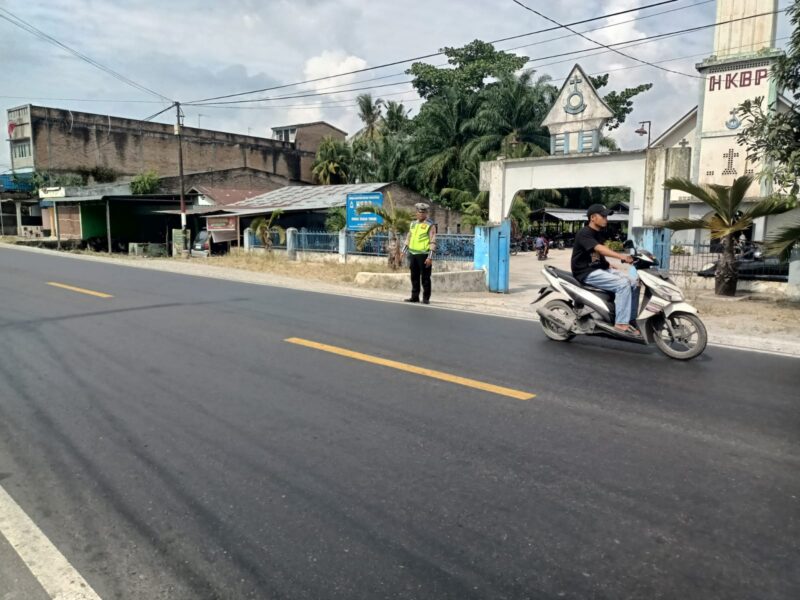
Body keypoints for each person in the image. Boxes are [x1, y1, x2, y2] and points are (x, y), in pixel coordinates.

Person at [571, 204, 640, 336]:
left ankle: (631, 319)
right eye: (603, 216)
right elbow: (599, 249)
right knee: (623, 284)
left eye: (606, 216)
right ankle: (621, 324)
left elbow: (596, 253)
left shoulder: (598, 233)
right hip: (585, 272)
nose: (606, 219)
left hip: (598, 269)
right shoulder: (584, 233)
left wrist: (607, 264)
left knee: (635, 281)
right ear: (592, 217)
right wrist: (621, 257)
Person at [403, 203, 437, 304]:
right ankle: (414, 297)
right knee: (414, 276)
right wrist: (403, 251)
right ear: (416, 213)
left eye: (423, 212)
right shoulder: (413, 224)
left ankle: (426, 298)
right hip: (413, 254)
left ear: (426, 213)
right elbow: (408, 238)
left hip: (424, 254)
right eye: (419, 212)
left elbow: (433, 241)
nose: (421, 214)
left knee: (425, 277)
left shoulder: (430, 225)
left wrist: (430, 257)